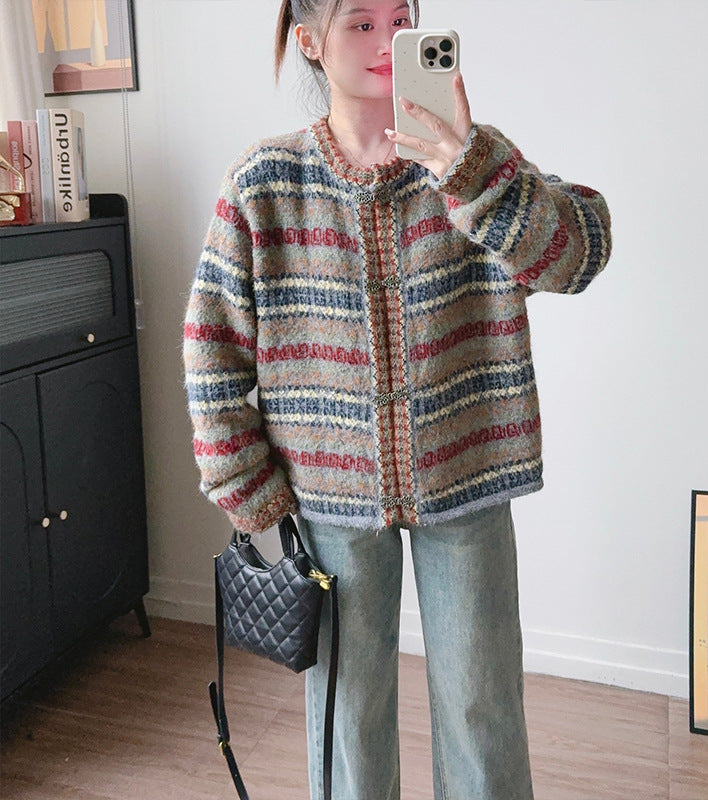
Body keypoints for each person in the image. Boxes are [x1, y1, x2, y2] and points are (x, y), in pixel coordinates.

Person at [183, 0, 612, 797]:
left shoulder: (467, 161)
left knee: (482, 707)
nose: (388, 39)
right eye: (361, 22)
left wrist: (474, 175)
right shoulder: (264, 181)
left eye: (400, 16)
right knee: (347, 716)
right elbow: (212, 345)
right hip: (328, 500)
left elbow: (578, 255)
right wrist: (248, 487)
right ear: (309, 41)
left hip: (467, 479)